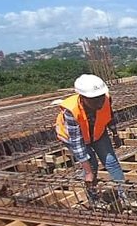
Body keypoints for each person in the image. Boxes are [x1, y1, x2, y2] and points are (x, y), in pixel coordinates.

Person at [55, 74, 129, 209]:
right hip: (75, 138)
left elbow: (110, 116)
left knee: (111, 161)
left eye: (100, 98)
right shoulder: (71, 110)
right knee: (91, 166)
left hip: (97, 133)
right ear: (83, 98)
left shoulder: (105, 100)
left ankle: (125, 196)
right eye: (94, 100)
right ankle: (94, 199)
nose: (99, 102)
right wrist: (88, 171)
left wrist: (115, 133)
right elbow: (77, 143)